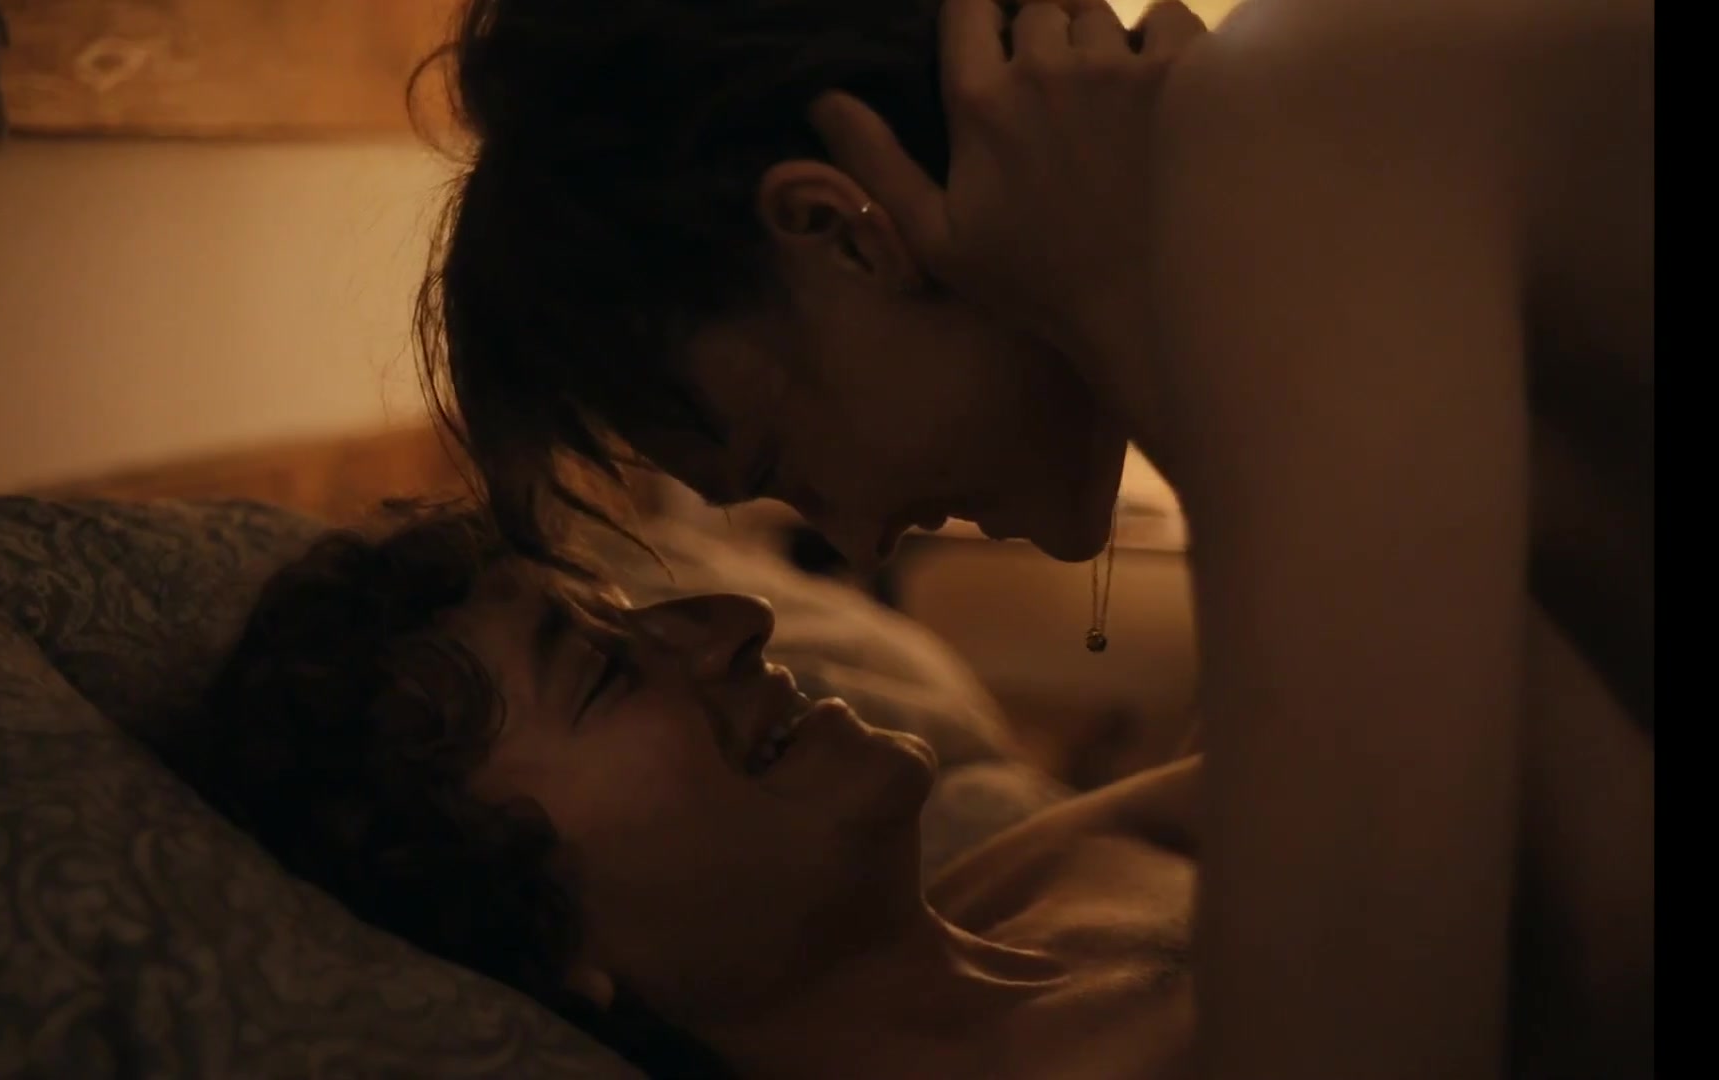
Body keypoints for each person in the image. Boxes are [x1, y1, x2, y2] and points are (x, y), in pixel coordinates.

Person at [420, 1, 1653, 1077]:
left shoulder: (1290, 135)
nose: (855, 537)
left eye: (777, 466)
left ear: (844, 234)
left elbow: (1595, 970)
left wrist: (1139, 330)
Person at [192, 506, 1205, 1080]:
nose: (737, 619)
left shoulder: (1048, 870)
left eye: (636, 612)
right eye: (606, 672)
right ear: (544, 940)